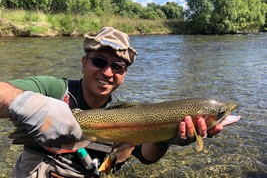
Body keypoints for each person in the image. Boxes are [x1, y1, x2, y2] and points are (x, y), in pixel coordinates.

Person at [0, 27, 222, 177]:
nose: (107, 72)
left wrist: (165, 139)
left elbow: (146, 156)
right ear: (84, 63)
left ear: (124, 75)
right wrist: (28, 105)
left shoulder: (127, 115)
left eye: (117, 67)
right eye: (99, 61)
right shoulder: (54, 89)